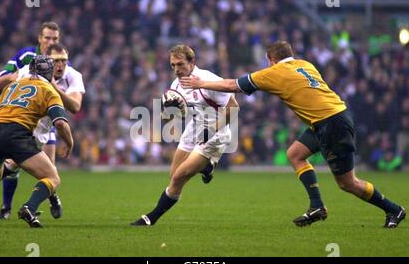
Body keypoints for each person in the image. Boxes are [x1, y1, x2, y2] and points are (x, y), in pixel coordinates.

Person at [180, 41, 406, 228]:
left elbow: (232, 85)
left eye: (268, 62)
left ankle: (394, 210)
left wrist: (201, 83)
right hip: (330, 118)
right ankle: (316, 205)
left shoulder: (275, 72)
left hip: (332, 124)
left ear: (271, 60)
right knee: (295, 154)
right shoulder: (305, 64)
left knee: (348, 183)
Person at [0, 42, 85, 220]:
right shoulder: (43, 86)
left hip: (2, 129)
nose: (60, 65)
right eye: (56, 61)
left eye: (64, 60)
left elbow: (75, 106)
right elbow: (60, 123)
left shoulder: (69, 75)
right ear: (49, 63)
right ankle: (28, 206)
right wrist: (70, 142)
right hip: (22, 131)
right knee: (49, 175)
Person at [131, 44, 239, 226]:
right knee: (174, 176)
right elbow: (171, 119)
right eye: (172, 65)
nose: (176, 70)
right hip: (194, 127)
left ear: (192, 62)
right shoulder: (176, 85)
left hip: (216, 132)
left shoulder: (207, 79)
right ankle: (207, 167)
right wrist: (167, 112)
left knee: (179, 177)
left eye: (180, 64)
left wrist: (212, 129)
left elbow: (234, 107)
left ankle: (151, 218)